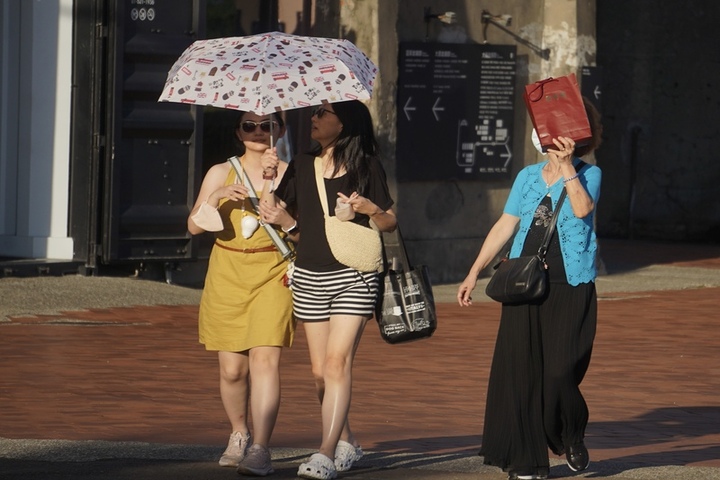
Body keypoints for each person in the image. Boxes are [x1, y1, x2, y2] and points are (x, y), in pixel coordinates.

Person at [456, 98, 603, 480]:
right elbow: (506, 224)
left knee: (559, 372)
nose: (543, 135)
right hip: (524, 282)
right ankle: (526, 462)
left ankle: (570, 432)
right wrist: (474, 271)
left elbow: (583, 209)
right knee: (521, 373)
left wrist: (568, 166)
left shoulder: (590, 173)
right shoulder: (526, 176)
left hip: (570, 286)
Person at [261, 100, 397, 480]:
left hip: (354, 275)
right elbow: (270, 213)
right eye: (315, 113)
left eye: (324, 113)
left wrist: (368, 209)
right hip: (309, 275)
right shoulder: (302, 164)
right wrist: (269, 178)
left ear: (345, 123)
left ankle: (325, 452)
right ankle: (347, 441)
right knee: (321, 374)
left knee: (338, 363)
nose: (315, 119)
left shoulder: (365, 165)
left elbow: (389, 222)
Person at [187, 111, 299, 477]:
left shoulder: (291, 173)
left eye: (266, 125)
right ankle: (239, 432)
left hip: (272, 271)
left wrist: (277, 194)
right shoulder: (221, 171)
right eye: (249, 126)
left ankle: (262, 447)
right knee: (232, 369)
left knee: (266, 360)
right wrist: (218, 196)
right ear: (238, 132)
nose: (257, 132)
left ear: (280, 131)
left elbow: (304, 232)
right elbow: (192, 226)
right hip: (227, 271)